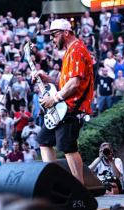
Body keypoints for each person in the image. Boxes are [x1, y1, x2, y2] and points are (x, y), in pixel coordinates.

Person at [37, 19, 94, 184]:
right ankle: (53, 182)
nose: (52, 39)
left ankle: (80, 188)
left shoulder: (77, 49)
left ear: (66, 33)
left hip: (71, 109)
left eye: (54, 35)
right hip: (63, 107)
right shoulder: (71, 51)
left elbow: (75, 84)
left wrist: (54, 98)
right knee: (44, 140)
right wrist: (46, 78)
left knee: (68, 148)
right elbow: (63, 85)